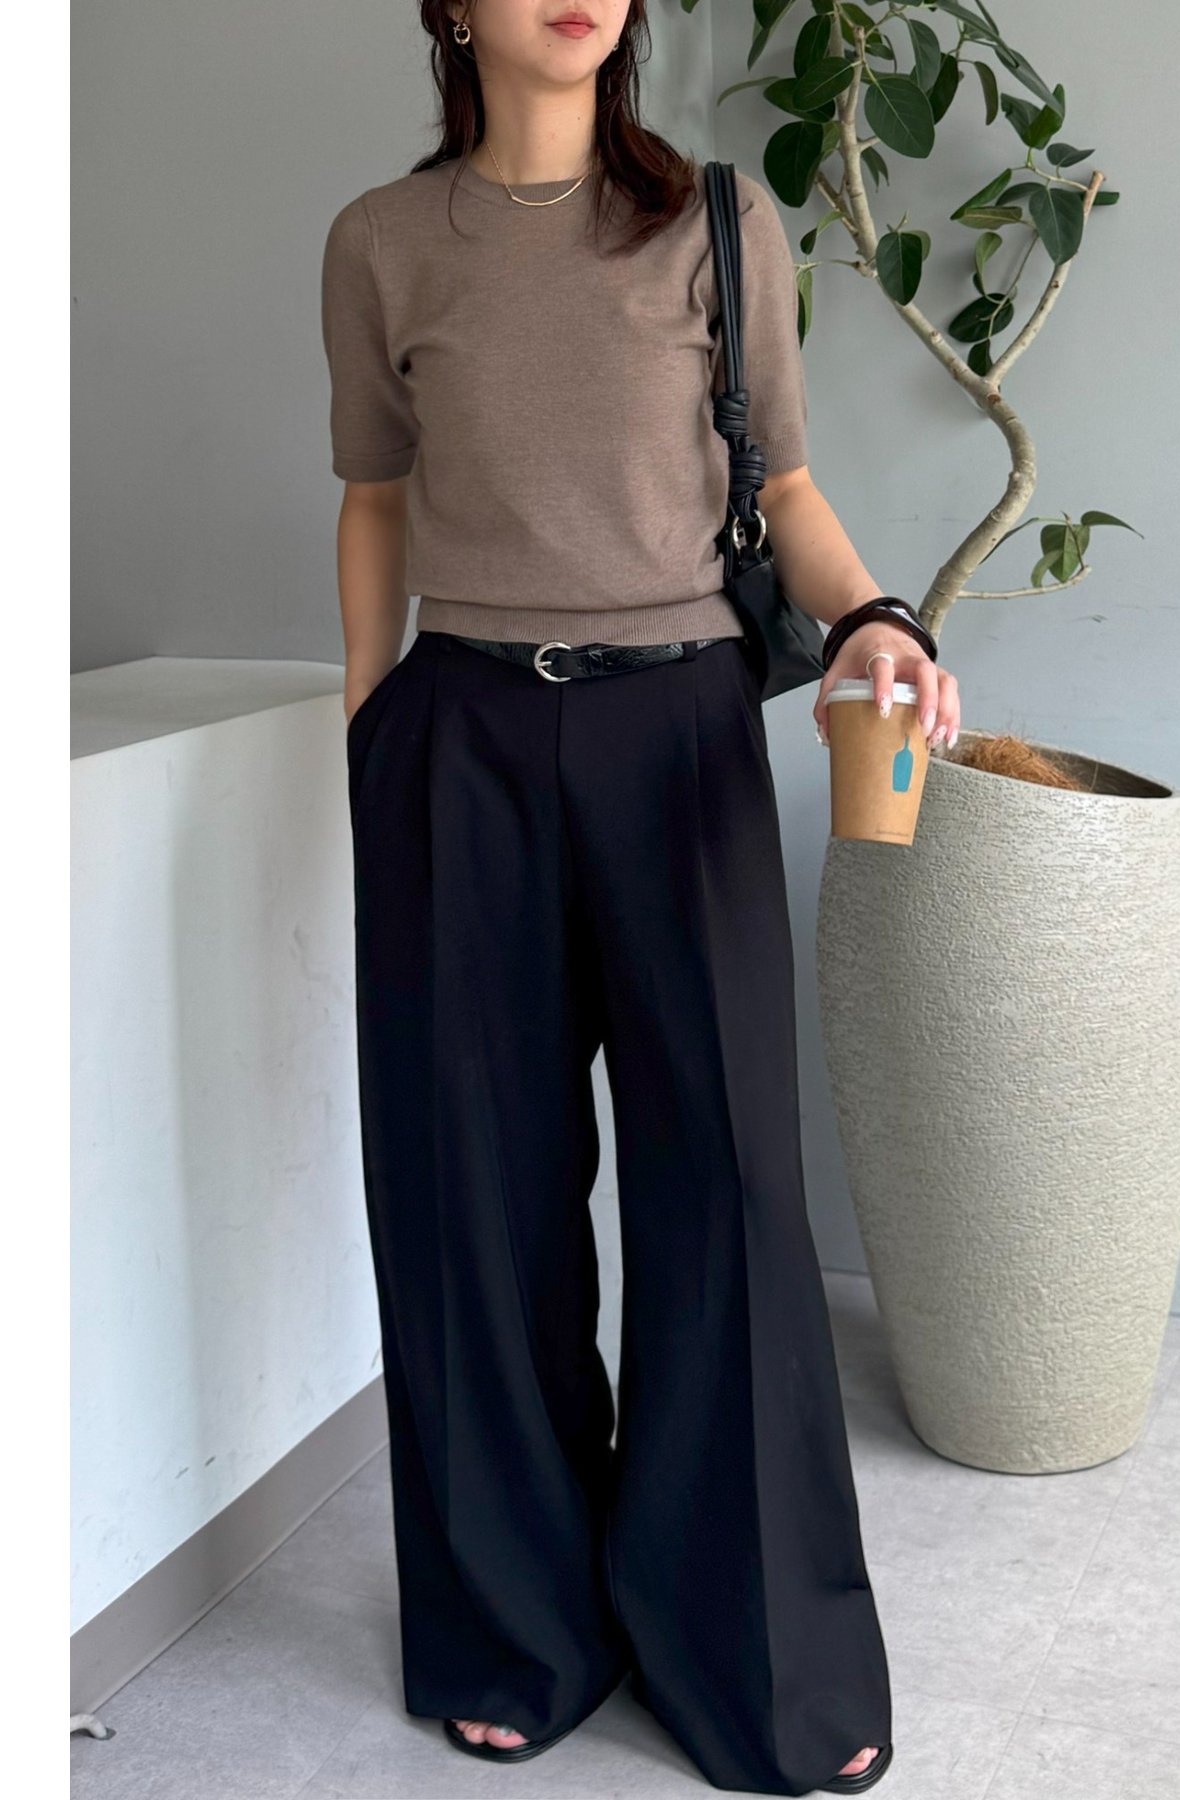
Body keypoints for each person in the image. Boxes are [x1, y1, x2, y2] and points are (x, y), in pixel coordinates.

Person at [319, 3, 961, 1793]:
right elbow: (372, 498)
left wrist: (877, 618)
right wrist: (372, 728)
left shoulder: (719, 221)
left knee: (730, 1189)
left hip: (677, 732)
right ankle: (515, 1630)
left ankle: (763, 1659)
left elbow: (787, 485)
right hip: (459, 738)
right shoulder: (381, 241)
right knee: (474, 1195)